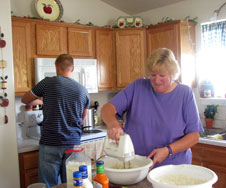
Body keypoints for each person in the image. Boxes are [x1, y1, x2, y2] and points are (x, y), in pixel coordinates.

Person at [101, 48, 203, 169]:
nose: (156, 80)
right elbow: (107, 108)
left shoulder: (185, 93)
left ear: (173, 74)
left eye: (162, 75)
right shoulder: (138, 87)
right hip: (137, 166)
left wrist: (167, 150)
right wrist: (113, 125)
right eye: (153, 74)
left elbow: (194, 136)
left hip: (174, 169)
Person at [21, 54, 90, 187]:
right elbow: (82, 120)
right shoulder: (83, 91)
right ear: (73, 69)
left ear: (57, 67)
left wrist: (41, 100)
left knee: (48, 185)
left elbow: (25, 99)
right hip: (72, 145)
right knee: (72, 184)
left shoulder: (47, 83)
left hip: (50, 143)